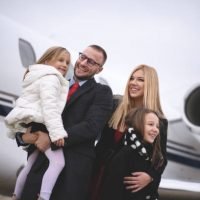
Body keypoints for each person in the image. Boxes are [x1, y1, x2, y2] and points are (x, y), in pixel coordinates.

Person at [16, 45, 113, 200]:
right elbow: (35, 113)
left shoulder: (102, 92)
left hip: (71, 174)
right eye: (83, 57)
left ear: (99, 70)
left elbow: (91, 127)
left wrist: (52, 138)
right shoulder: (55, 84)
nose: (83, 63)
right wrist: (25, 136)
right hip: (40, 165)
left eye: (91, 62)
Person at [92, 64, 168, 200]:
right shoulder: (116, 108)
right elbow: (102, 144)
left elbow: (161, 157)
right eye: (132, 78)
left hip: (127, 187)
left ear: (150, 85)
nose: (133, 82)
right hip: (100, 176)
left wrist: (150, 176)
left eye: (140, 79)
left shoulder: (159, 121)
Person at [5, 46, 71, 200]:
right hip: (43, 125)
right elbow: (50, 108)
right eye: (60, 60)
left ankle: (16, 195)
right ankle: (44, 197)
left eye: (67, 62)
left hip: (35, 123)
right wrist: (56, 133)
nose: (65, 65)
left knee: (30, 165)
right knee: (58, 162)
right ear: (47, 61)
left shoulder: (38, 76)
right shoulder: (52, 78)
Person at [100, 107, 163, 200]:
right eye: (150, 124)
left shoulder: (153, 156)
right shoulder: (125, 154)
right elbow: (111, 191)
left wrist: (151, 177)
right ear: (137, 125)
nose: (155, 130)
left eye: (157, 126)